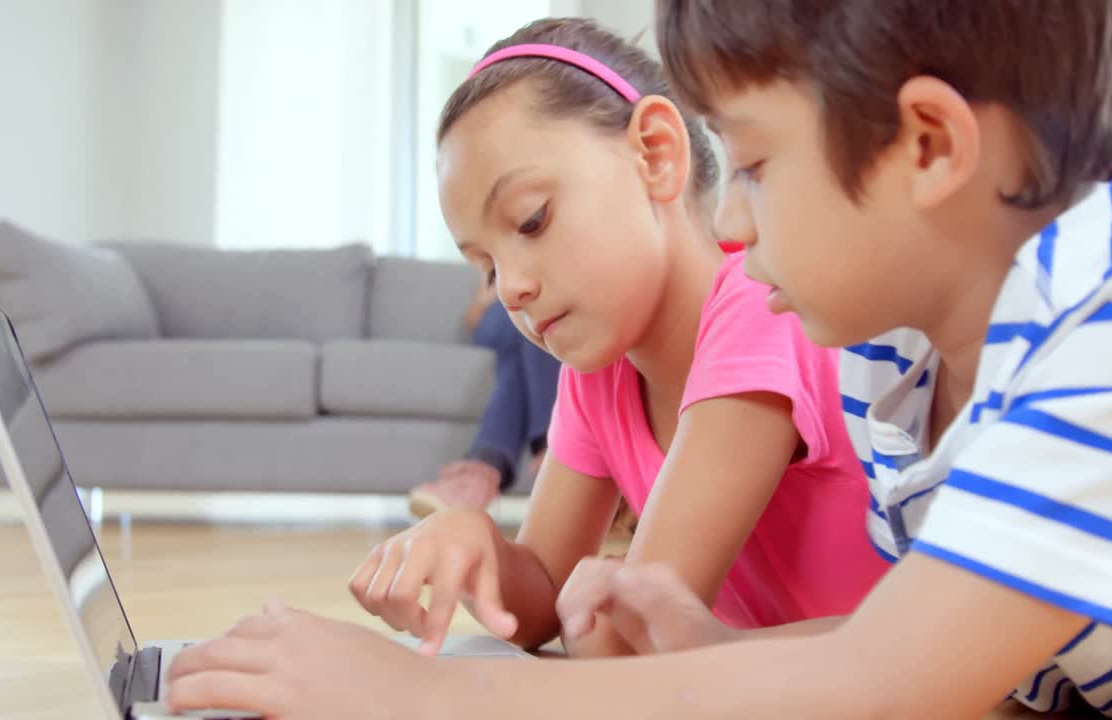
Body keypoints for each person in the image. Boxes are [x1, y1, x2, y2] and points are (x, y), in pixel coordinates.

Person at [168, 2, 1112, 717]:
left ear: (929, 144)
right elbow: (925, 649)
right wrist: (720, 657)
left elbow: (888, 676)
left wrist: (423, 694)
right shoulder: (894, 363)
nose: (729, 218)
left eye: (754, 165)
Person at [351, 16, 883, 659]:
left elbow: (631, 632)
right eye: (487, 268)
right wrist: (476, 543)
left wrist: (606, 608)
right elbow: (541, 603)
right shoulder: (596, 375)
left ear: (654, 154)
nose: (511, 288)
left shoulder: (757, 311)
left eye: (532, 220)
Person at [407, 272, 561, 517]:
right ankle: (551, 445)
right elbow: (473, 321)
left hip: (529, 329)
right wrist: (483, 301)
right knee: (528, 316)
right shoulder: (497, 268)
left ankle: (483, 469)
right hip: (501, 322)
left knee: (516, 362)